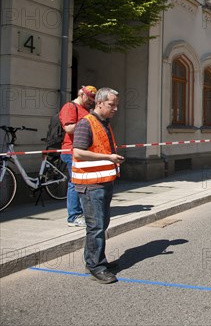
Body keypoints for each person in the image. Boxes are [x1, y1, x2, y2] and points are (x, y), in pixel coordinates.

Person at [72, 88, 125, 284]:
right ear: (100, 103)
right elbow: (78, 152)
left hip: (103, 182)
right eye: (112, 105)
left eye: (116, 105)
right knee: (95, 227)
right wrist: (109, 157)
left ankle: (96, 260)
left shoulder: (104, 124)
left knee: (101, 225)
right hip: (90, 184)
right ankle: (96, 266)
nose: (115, 108)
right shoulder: (86, 123)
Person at [59, 85, 97, 227]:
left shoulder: (86, 109)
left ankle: (82, 212)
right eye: (90, 99)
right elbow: (68, 128)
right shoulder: (70, 107)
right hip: (71, 151)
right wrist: (88, 123)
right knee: (76, 183)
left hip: (81, 151)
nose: (91, 102)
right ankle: (74, 216)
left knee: (82, 182)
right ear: (82, 95)